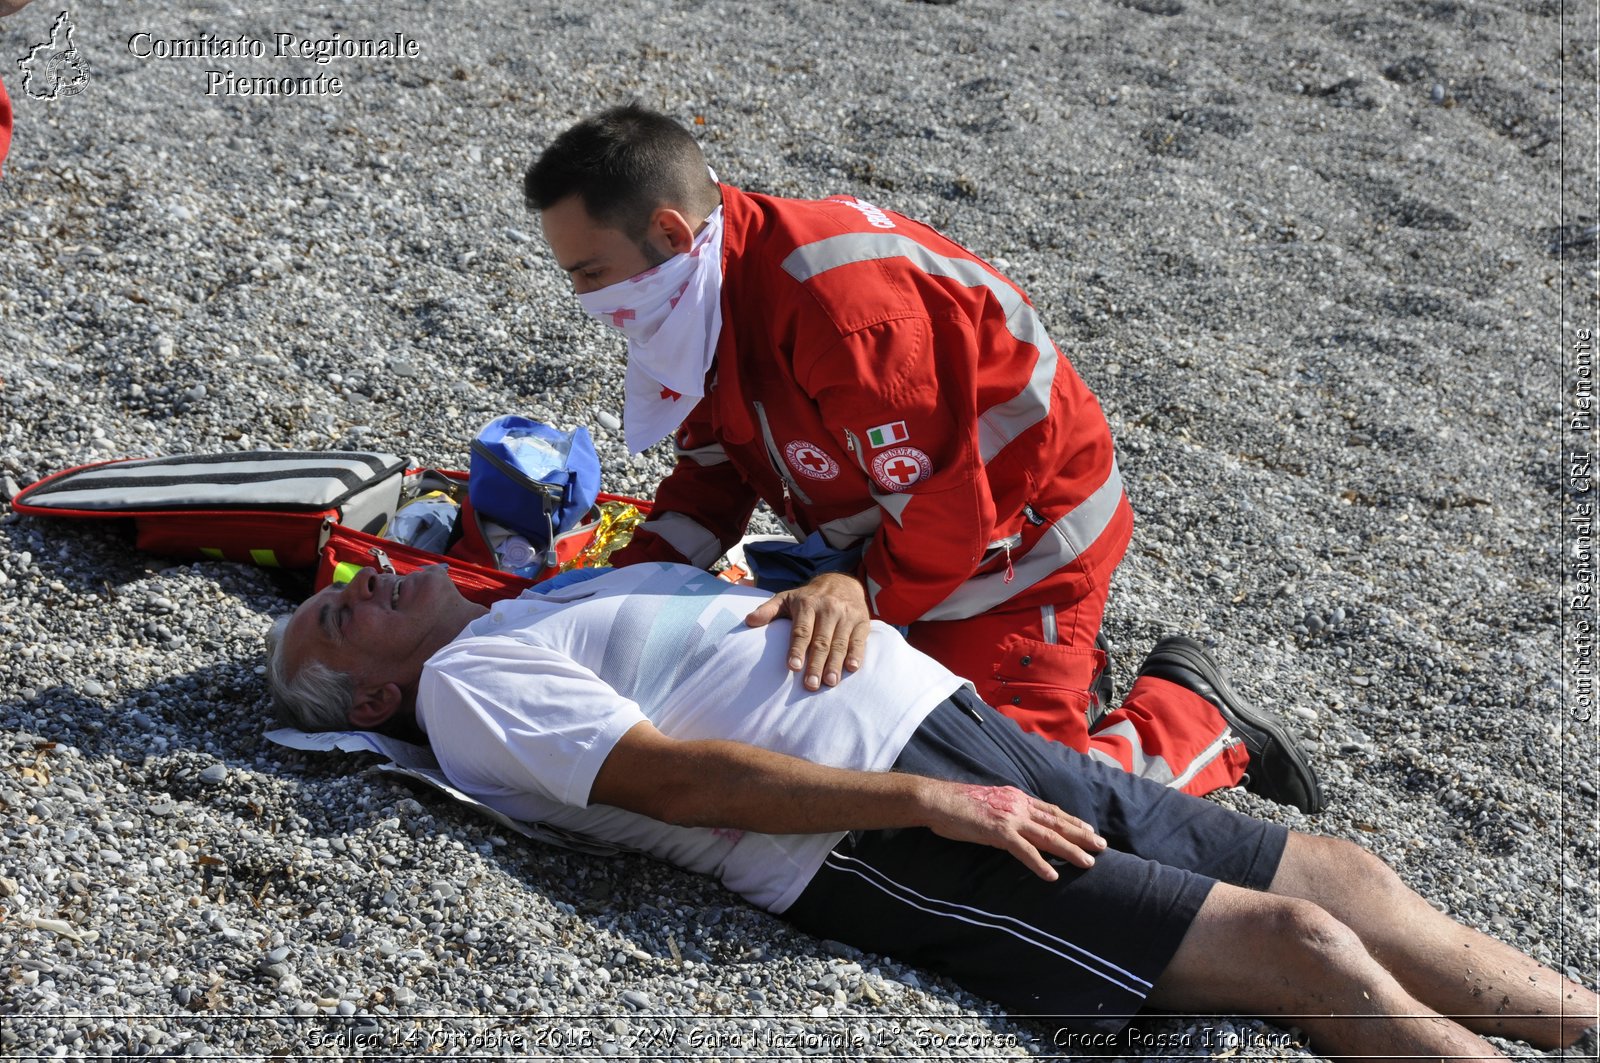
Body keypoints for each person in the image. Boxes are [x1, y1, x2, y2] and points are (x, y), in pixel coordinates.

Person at [266, 563, 1596, 1060]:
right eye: (338, 613)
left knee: (1340, 869)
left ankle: (1578, 1014)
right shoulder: (464, 685)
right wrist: (926, 797)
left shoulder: (543, 599)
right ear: (370, 697)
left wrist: (835, 582)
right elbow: (667, 775)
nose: (363, 581)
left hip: (949, 724)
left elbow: (777, 582)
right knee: (1302, 947)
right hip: (871, 830)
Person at [522, 104, 1323, 814]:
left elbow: (949, 507)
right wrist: (624, 579)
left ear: (669, 231)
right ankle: (1048, 681)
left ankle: (1192, 717)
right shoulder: (698, 288)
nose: (587, 301)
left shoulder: (845, 312)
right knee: (844, 750)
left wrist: (859, 591)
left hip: (1020, 548)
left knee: (1027, 813)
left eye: (590, 274)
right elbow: (714, 472)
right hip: (891, 536)